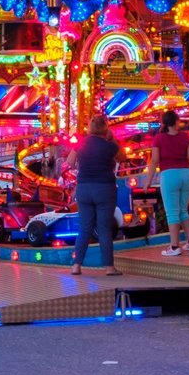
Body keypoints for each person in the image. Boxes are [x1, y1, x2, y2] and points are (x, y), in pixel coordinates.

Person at [70, 115, 124, 277]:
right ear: (105, 129)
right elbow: (123, 157)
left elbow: (70, 162)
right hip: (104, 189)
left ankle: (76, 266)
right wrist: (112, 138)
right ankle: (109, 268)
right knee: (104, 228)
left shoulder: (82, 144)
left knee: (85, 228)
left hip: (84, 189)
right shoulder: (109, 146)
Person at [151, 110, 189, 256]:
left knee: (172, 212)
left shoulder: (158, 138)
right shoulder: (185, 137)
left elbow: (155, 160)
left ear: (164, 123)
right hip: (186, 173)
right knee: (183, 210)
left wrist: (148, 180)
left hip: (169, 174)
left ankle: (174, 246)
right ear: (176, 121)